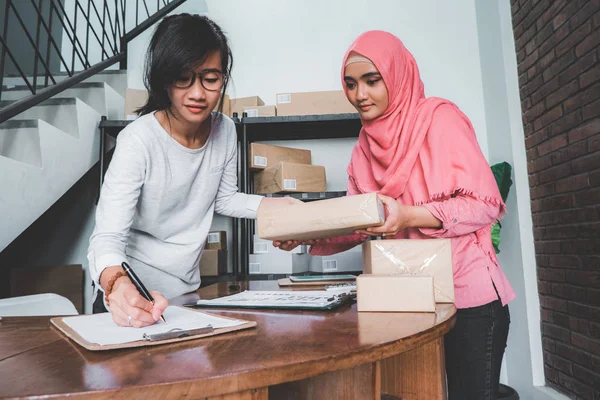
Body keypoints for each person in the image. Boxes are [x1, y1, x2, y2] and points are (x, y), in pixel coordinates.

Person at [275, 30, 516, 399]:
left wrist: (408, 215)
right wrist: (306, 234)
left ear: (396, 76)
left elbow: (485, 205)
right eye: (351, 84)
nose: (360, 95)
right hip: (405, 302)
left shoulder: (440, 119)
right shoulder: (363, 149)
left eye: (372, 81)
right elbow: (359, 224)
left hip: (468, 299)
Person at [88, 14, 296, 327]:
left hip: (186, 296)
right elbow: (106, 237)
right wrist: (117, 285)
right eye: (183, 78)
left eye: (210, 79)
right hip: (132, 297)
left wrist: (279, 208)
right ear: (163, 79)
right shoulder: (138, 140)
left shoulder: (224, 129)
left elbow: (224, 197)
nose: (198, 93)